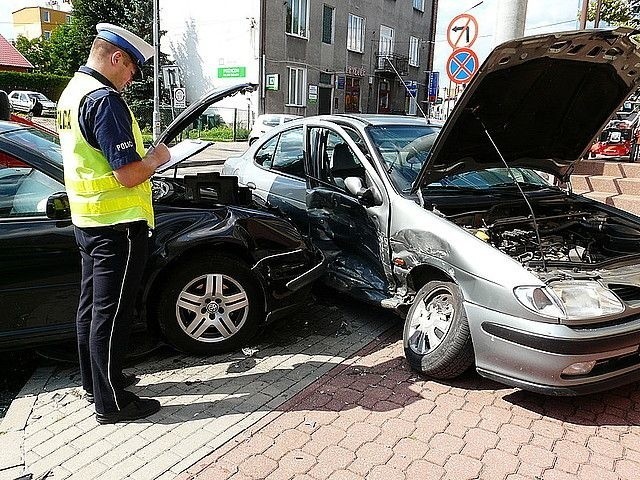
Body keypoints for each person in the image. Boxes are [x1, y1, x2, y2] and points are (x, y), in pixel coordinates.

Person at [56, 23, 170, 424]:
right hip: (117, 225)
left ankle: (97, 383)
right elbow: (128, 174)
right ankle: (113, 403)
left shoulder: (71, 94)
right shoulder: (104, 100)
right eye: (133, 67)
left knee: (91, 309)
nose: (134, 76)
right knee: (112, 313)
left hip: (88, 220)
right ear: (116, 58)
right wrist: (157, 159)